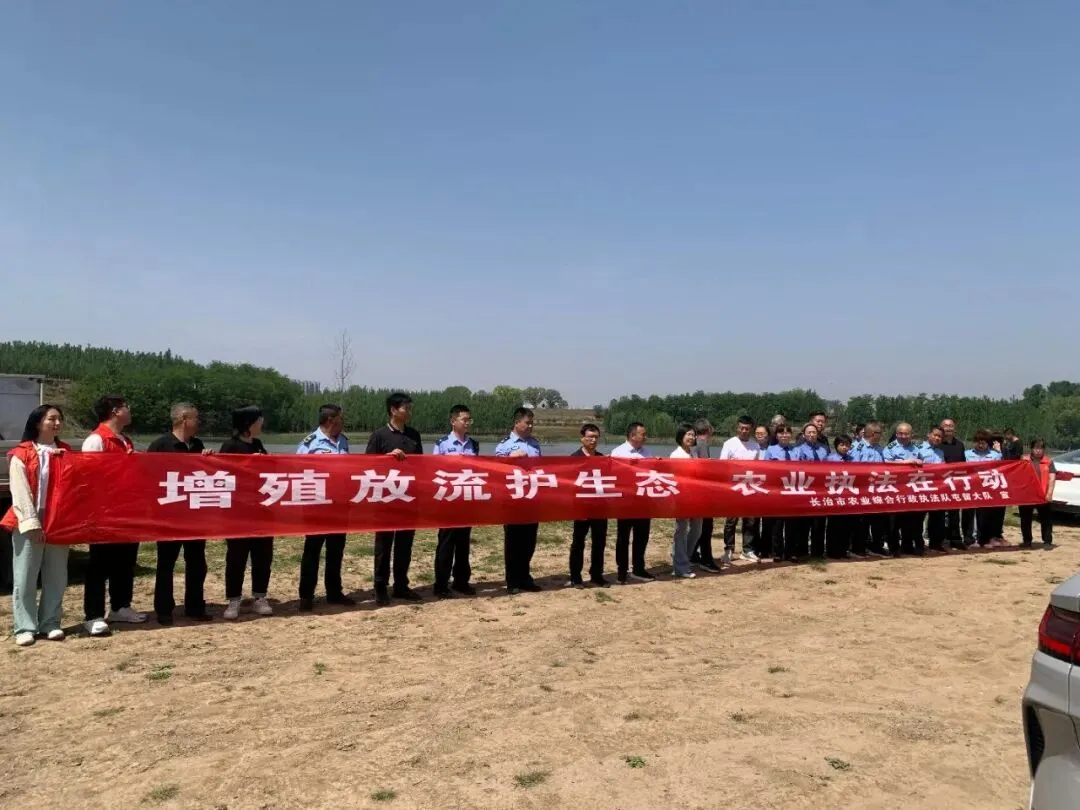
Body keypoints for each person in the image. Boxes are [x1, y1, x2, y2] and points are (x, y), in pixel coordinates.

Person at [3, 405, 70, 646]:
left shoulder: (66, 452)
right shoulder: (21, 454)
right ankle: (25, 626)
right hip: (28, 522)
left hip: (58, 523)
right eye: (51, 419)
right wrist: (31, 524)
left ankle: (50, 622)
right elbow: (20, 492)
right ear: (37, 422)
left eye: (59, 419)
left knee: (57, 576)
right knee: (25, 576)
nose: (57, 423)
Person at [82, 395, 144, 636]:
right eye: (127, 407)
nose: (130, 411)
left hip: (126, 511)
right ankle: (93, 615)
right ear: (116, 411)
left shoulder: (125, 440)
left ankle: (120, 606)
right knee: (100, 564)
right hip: (104, 511)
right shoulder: (96, 440)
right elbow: (89, 477)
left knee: (125, 561)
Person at [148, 403, 214, 625]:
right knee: (166, 563)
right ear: (184, 419)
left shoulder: (197, 445)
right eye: (196, 418)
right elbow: (148, 477)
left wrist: (208, 460)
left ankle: (195, 606)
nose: (199, 422)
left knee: (197, 562)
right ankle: (164, 609)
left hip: (194, 513)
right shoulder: (160, 445)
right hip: (169, 515)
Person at [366, 392, 424, 605]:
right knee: (384, 545)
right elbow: (367, 466)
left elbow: (421, 465)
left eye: (410, 408)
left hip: (407, 497)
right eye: (405, 408)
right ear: (393, 410)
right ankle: (380, 586)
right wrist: (387, 458)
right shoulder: (379, 436)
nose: (409, 412)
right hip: (385, 498)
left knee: (405, 544)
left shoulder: (414, 435)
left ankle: (401, 585)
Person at [297, 403, 355, 610]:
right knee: (312, 550)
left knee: (336, 550)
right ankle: (306, 596)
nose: (343, 421)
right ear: (331, 420)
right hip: (317, 505)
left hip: (339, 505)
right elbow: (298, 470)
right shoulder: (310, 443)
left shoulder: (343, 441)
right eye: (341, 418)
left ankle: (334, 592)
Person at [220, 406, 275, 619]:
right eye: (259, 420)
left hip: (261, 510)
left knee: (263, 555)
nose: (262, 423)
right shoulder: (230, 446)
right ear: (248, 423)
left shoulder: (258, 444)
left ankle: (260, 597)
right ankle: (234, 599)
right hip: (238, 512)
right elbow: (223, 474)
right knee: (237, 556)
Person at [431, 404, 479, 598]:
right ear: (453, 421)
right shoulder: (442, 444)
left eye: (469, 420)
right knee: (446, 542)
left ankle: (461, 581)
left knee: (463, 543)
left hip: (466, 499)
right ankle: (441, 584)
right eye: (464, 419)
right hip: (448, 500)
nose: (467, 423)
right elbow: (433, 470)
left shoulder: (473, 444)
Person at [494, 407, 543, 593]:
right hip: (512, 499)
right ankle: (512, 580)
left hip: (531, 498)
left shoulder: (535, 444)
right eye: (527, 423)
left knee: (529, 541)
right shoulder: (504, 445)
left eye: (532, 423)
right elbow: (495, 471)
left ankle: (525, 578)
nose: (530, 426)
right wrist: (510, 459)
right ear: (517, 423)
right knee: (513, 541)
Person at [610, 422, 656, 584]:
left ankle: (638, 568)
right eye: (643, 434)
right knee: (623, 537)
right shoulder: (618, 452)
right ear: (632, 435)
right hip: (625, 501)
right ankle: (622, 571)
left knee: (642, 536)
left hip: (643, 501)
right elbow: (614, 476)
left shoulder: (647, 452)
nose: (645, 437)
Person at [568, 423, 609, 587]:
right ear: (582, 438)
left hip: (600, 506)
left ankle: (597, 575)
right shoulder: (574, 458)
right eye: (590, 437)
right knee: (578, 542)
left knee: (599, 542)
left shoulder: (602, 458)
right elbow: (568, 484)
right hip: (581, 506)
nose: (593, 440)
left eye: (596, 437)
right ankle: (575, 576)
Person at [719, 415, 762, 564]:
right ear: (737, 428)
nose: (744, 431)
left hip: (749, 487)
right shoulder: (729, 444)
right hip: (733, 487)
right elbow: (722, 466)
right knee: (731, 521)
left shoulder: (755, 446)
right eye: (741, 428)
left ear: (751, 429)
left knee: (750, 521)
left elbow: (759, 468)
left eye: (747, 429)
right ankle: (728, 549)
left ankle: (747, 550)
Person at [883, 422, 926, 555]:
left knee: (909, 519)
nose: (903, 436)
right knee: (894, 522)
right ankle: (894, 548)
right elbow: (886, 464)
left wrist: (920, 462)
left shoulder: (916, 448)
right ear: (896, 434)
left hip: (910, 489)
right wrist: (906, 462)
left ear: (911, 434)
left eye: (906, 434)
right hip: (894, 488)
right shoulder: (890, 447)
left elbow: (923, 464)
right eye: (900, 433)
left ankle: (907, 546)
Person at [851, 421, 890, 558]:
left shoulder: (879, 449)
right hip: (862, 491)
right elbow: (853, 469)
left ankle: (876, 546)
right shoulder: (857, 448)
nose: (881, 435)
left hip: (877, 491)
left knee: (878, 520)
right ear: (873, 434)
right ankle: (858, 547)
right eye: (880, 433)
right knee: (861, 521)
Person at [789, 424, 828, 559]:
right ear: (803, 434)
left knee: (819, 522)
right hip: (805, 489)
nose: (811, 435)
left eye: (814, 432)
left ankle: (817, 552)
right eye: (809, 432)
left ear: (817, 434)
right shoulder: (798, 450)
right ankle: (802, 550)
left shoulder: (823, 449)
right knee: (803, 523)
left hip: (820, 490)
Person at [689, 418, 721, 573]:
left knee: (697, 527)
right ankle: (706, 559)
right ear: (709, 430)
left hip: (693, 492)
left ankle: (692, 554)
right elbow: (704, 468)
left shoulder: (693, 443)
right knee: (706, 527)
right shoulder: (702, 444)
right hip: (702, 492)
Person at [669, 423, 700, 579]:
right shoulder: (675, 455)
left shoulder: (694, 452)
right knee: (681, 529)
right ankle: (680, 566)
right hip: (681, 497)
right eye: (688, 434)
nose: (691, 437)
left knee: (697, 529)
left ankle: (682, 557)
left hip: (696, 497)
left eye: (693, 435)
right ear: (681, 436)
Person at [761, 425, 796, 561]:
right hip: (777, 491)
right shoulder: (771, 450)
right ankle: (777, 552)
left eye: (787, 433)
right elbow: (766, 470)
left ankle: (790, 552)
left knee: (791, 524)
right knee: (777, 524)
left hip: (793, 491)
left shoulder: (796, 450)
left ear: (791, 435)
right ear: (776, 436)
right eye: (781, 433)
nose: (784, 435)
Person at [966, 429, 1004, 548]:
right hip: (971, 488)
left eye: (983, 442)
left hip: (988, 489)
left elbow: (1001, 470)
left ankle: (984, 539)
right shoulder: (966, 454)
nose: (981, 445)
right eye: (978, 442)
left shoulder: (996, 455)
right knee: (971, 515)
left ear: (988, 443)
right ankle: (970, 539)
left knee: (986, 515)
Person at [824, 433, 859, 558]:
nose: (844, 447)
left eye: (847, 445)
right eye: (842, 445)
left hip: (848, 496)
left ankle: (844, 550)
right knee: (834, 524)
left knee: (846, 524)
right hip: (834, 495)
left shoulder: (852, 459)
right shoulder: (829, 459)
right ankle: (832, 551)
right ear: (836, 445)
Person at [939, 418, 972, 548]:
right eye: (945, 425)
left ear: (954, 428)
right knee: (940, 513)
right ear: (941, 428)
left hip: (956, 483)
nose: (948, 428)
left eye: (951, 426)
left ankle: (955, 538)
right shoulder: (938, 443)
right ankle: (939, 539)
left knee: (954, 512)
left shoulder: (959, 444)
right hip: (940, 483)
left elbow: (963, 463)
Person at [1019, 438, 1056, 549]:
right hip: (1027, 495)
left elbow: (1052, 478)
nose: (1038, 450)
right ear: (1031, 449)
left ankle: (1047, 541)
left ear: (1044, 450)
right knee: (1025, 519)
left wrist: (1049, 493)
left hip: (1043, 495)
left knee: (1046, 519)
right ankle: (1027, 541)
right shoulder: (1024, 460)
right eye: (1036, 448)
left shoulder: (1049, 461)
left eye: (1040, 448)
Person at [919, 426, 948, 552]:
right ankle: (918, 544)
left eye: (940, 436)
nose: (937, 438)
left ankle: (935, 543)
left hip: (937, 489)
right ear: (928, 434)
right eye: (935, 435)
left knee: (937, 517)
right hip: (922, 488)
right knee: (919, 518)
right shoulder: (918, 449)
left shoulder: (940, 452)